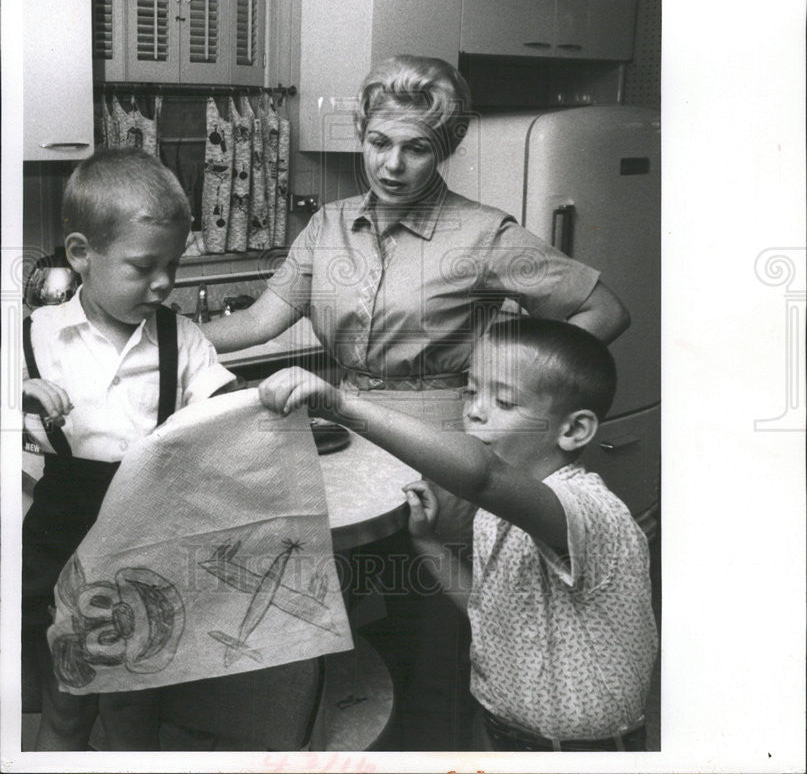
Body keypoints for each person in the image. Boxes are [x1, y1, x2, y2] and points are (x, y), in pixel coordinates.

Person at [203, 54, 631, 748]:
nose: (392, 164)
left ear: (443, 151)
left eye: (415, 148)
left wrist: (513, 388)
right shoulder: (329, 227)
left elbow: (601, 310)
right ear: (362, 136)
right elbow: (256, 323)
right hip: (346, 441)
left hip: (448, 451)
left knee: (440, 627)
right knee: (337, 619)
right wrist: (161, 333)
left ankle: (447, 750)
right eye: (379, 143)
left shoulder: (481, 233)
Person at [258, 317, 659, 751]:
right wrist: (429, 545)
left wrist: (341, 405)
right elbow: (489, 613)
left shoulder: (592, 512)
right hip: (501, 727)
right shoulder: (493, 517)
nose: (475, 410)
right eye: (471, 391)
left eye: (503, 402)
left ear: (573, 430)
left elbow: (482, 475)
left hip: (584, 752)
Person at [21, 148, 236, 750]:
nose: (164, 282)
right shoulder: (33, 337)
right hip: (63, 547)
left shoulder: (183, 339)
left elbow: (221, 418)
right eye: (144, 267)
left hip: (151, 547)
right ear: (82, 255)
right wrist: (16, 403)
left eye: (173, 264)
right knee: (65, 711)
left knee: (135, 714)